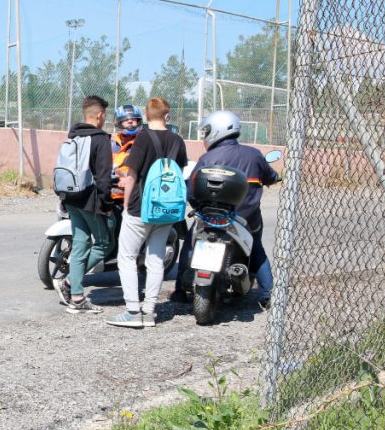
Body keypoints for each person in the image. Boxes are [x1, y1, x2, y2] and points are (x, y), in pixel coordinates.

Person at [171, 110, 280, 308]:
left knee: (189, 245)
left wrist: (199, 208)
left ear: (218, 130)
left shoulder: (208, 158)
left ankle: (179, 290)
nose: (204, 136)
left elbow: (191, 191)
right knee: (257, 251)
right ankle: (267, 294)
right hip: (246, 218)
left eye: (207, 131)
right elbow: (271, 177)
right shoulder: (254, 154)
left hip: (211, 217)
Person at [106, 97, 188, 328]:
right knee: (155, 259)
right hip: (167, 208)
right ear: (167, 116)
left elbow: (131, 176)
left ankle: (133, 311)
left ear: (146, 116)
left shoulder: (142, 139)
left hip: (140, 207)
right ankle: (150, 311)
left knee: (127, 257)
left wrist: (127, 206)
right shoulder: (177, 140)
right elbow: (178, 172)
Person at [55, 95, 113, 313]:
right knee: (104, 244)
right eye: (105, 115)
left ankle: (76, 296)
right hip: (91, 201)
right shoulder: (101, 140)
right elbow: (104, 177)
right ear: (99, 115)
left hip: (70, 197)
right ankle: (70, 283)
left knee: (80, 243)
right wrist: (106, 205)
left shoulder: (73, 135)